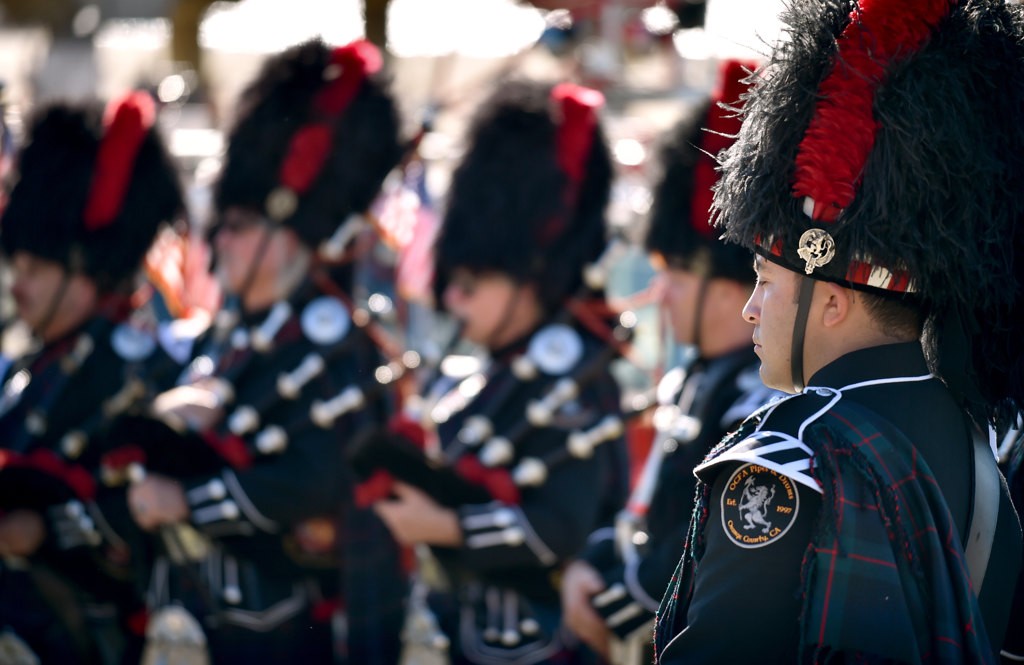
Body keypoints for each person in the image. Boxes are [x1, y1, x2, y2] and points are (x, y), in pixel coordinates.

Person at [652, 0, 1024, 661]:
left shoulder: (790, 452)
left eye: (767, 281)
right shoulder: (979, 446)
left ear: (831, 301)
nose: (750, 308)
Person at [117, 38, 408, 664]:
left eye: (240, 225)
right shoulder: (233, 332)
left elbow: (317, 479)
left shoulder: (335, 341)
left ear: (288, 234)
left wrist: (187, 500)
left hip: (295, 631)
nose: (220, 240)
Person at [364, 79, 630, 664]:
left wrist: (446, 527)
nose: (454, 302)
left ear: (530, 273)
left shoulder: (575, 381)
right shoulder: (489, 371)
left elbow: (560, 527)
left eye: (471, 284)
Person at [560, 58, 777, 665]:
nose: (663, 292)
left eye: (678, 273)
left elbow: (703, 548)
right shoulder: (699, 376)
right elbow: (649, 515)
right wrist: (593, 565)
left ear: (733, 288)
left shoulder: (759, 397)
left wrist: (608, 602)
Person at [0, 92, 186, 664]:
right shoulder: (40, 362)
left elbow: (144, 521)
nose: (16, 285)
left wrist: (44, 529)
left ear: (82, 269)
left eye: (33, 268)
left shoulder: (139, 366)